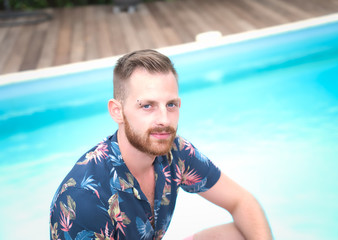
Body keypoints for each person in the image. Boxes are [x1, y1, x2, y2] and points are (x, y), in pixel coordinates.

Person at [50, 49, 272, 240]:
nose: (165, 120)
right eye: (147, 106)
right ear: (117, 111)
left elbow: (242, 201)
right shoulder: (81, 200)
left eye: (171, 105)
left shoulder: (176, 151)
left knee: (240, 235)